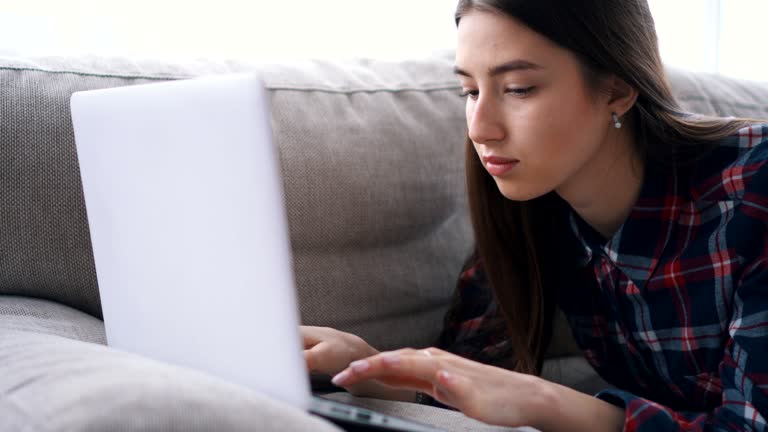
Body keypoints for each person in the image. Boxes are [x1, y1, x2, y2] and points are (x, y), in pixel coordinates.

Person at [302, 1, 768, 430]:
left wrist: (544, 400)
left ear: (618, 89)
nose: (481, 128)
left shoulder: (753, 189)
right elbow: (473, 379)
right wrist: (368, 369)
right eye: (469, 90)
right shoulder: (537, 212)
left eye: (518, 88)